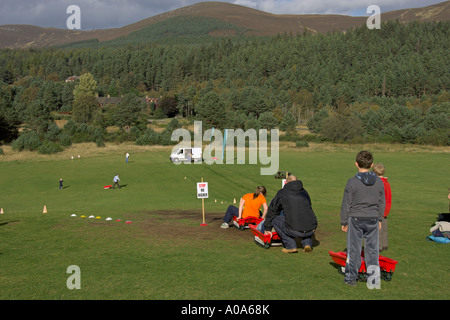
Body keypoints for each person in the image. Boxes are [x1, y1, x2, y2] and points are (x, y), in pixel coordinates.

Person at [340, 151, 385, 286]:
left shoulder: (352, 182)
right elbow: (382, 201)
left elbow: (346, 203)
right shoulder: (379, 181)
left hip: (356, 218)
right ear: (371, 165)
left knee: (354, 249)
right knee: (372, 250)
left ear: (356, 164)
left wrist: (343, 221)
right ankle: (373, 280)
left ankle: (351, 278)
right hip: (372, 218)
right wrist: (380, 219)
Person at [263, 175, 317, 253]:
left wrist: (267, 228)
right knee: (305, 219)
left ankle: (290, 246)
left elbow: (273, 210)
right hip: (311, 228)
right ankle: (307, 244)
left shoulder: (282, 192)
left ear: (286, 182)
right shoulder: (305, 192)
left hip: (295, 228)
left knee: (275, 220)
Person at [372, 163, 392, 251]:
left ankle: (378, 247)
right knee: (384, 228)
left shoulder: (379, 184)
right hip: (386, 209)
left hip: (379, 209)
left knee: (378, 229)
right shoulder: (386, 183)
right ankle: (384, 245)